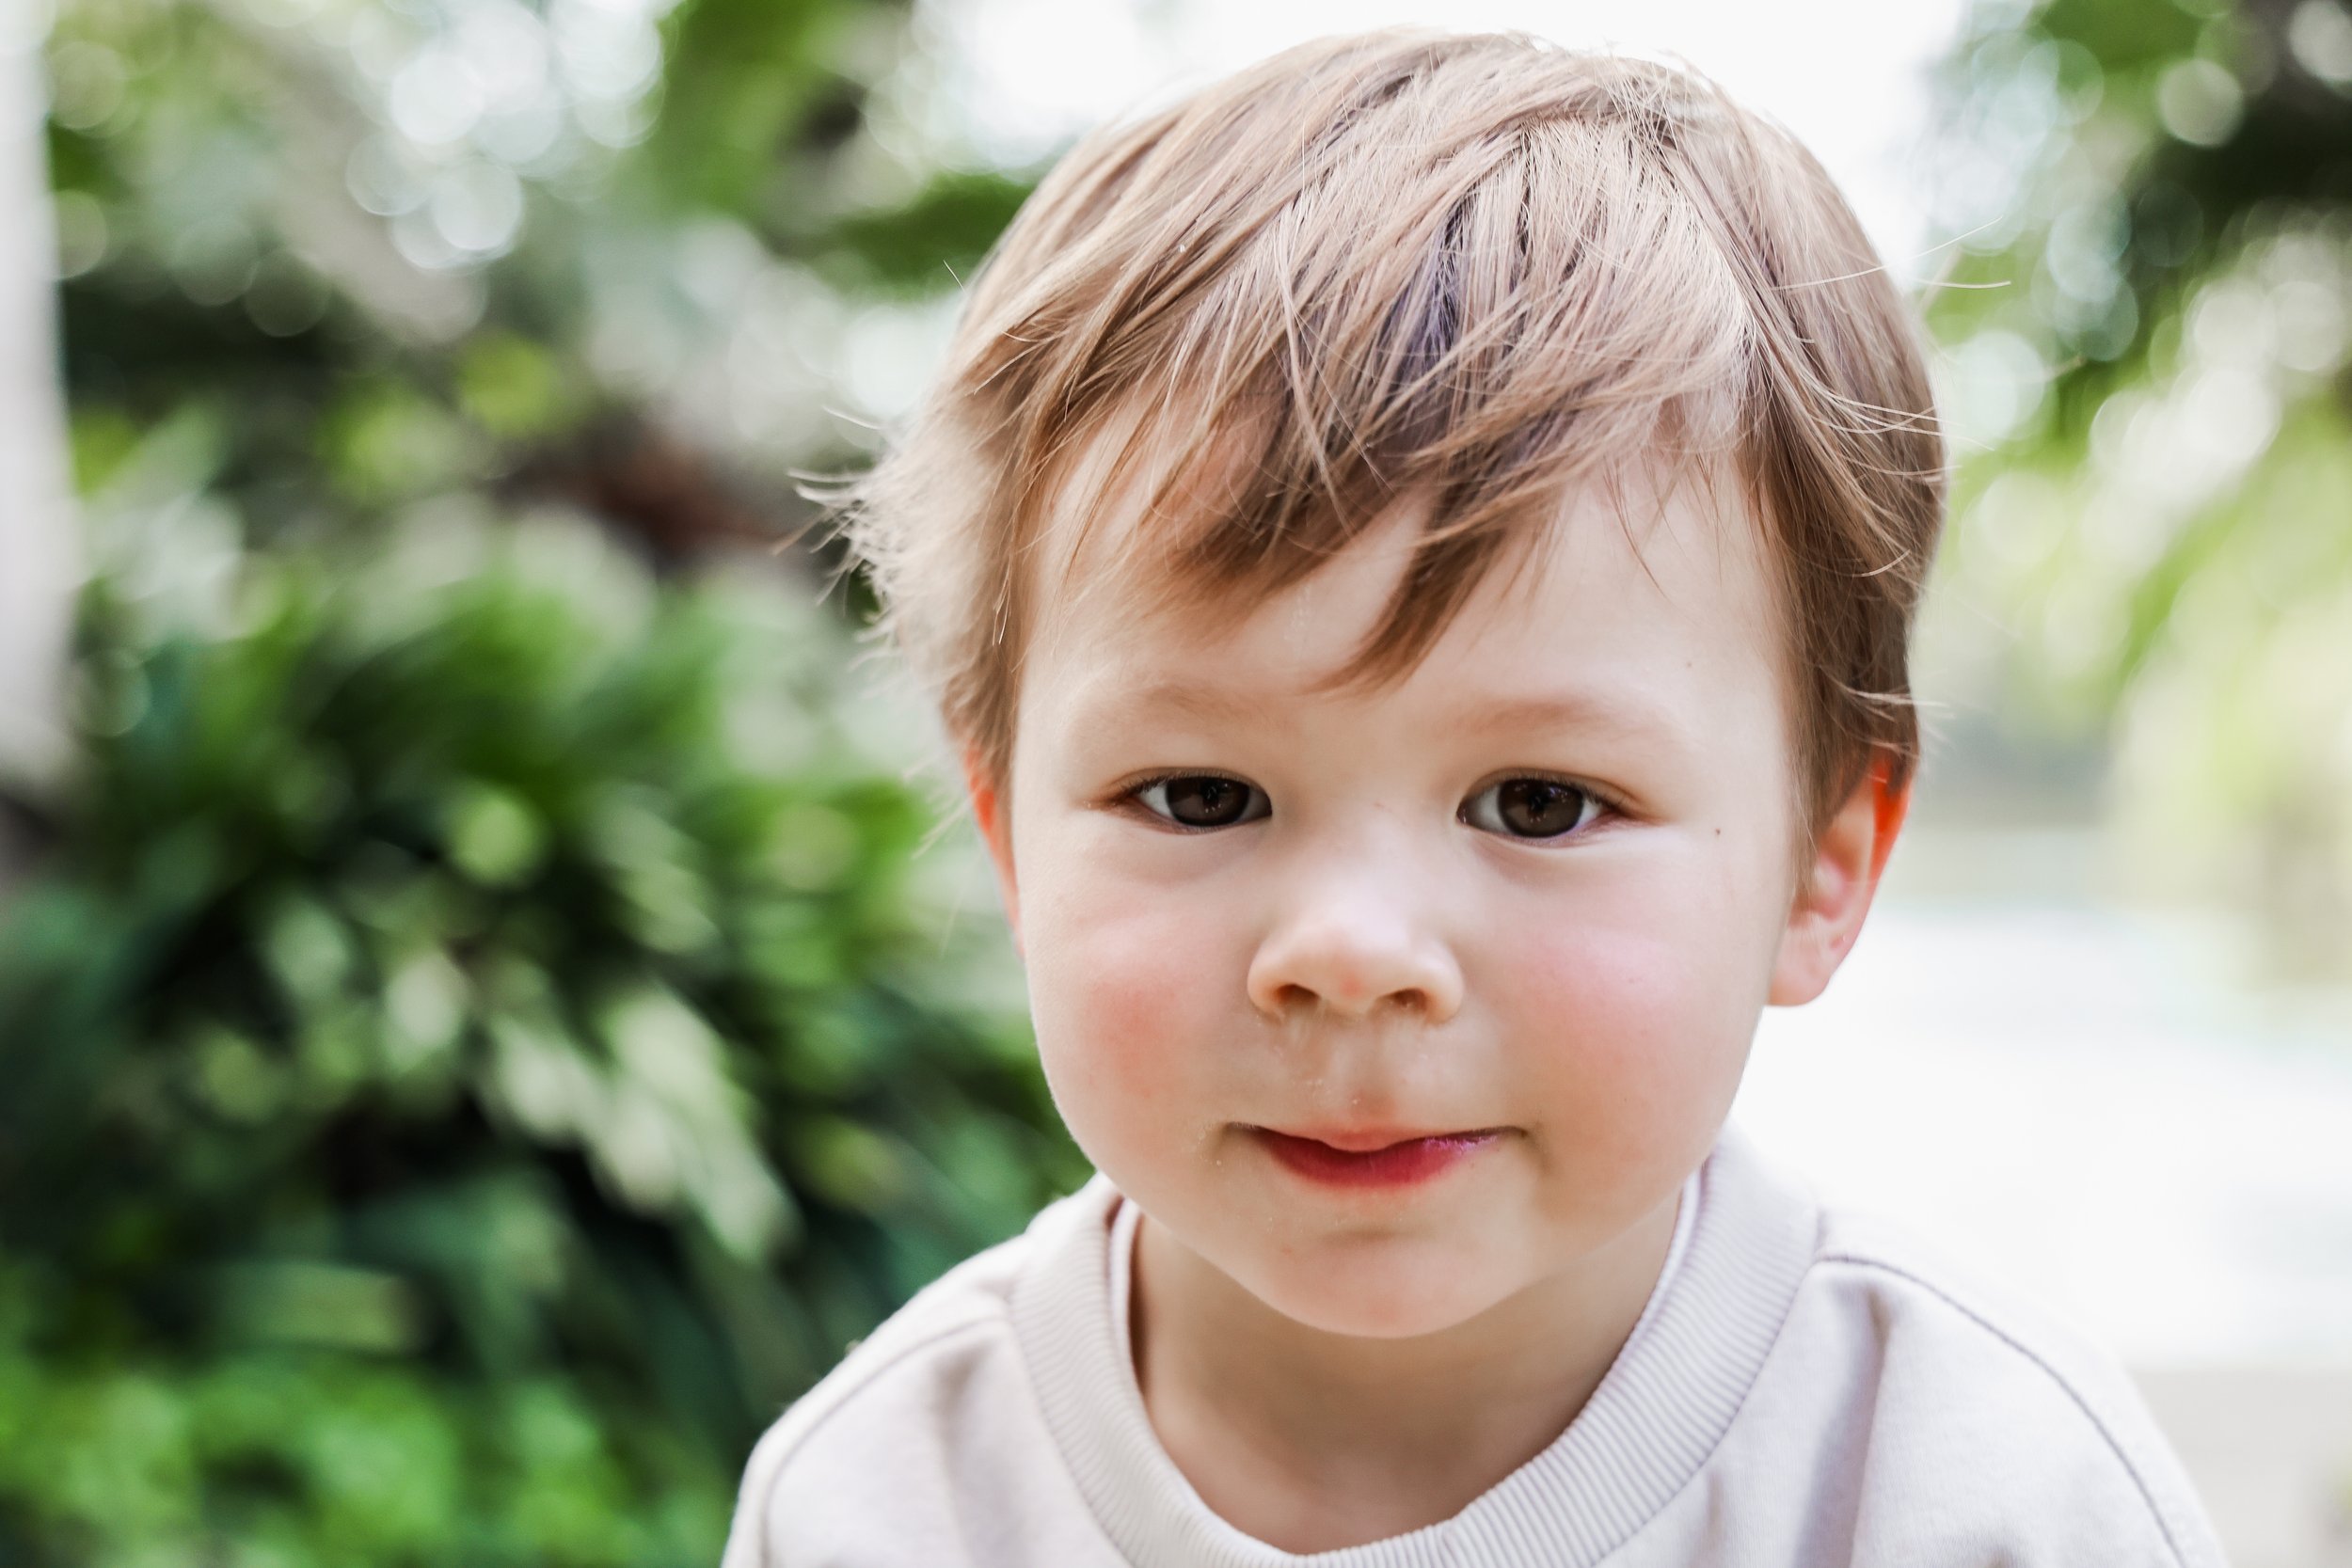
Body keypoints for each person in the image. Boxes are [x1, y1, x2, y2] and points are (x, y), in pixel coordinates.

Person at [721, 29, 2226, 1567]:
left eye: (1537, 804)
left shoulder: (1974, 1494)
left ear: (1820, 870)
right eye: (1198, 795)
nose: (1352, 951)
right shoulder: (884, 1499)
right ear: (1008, 844)